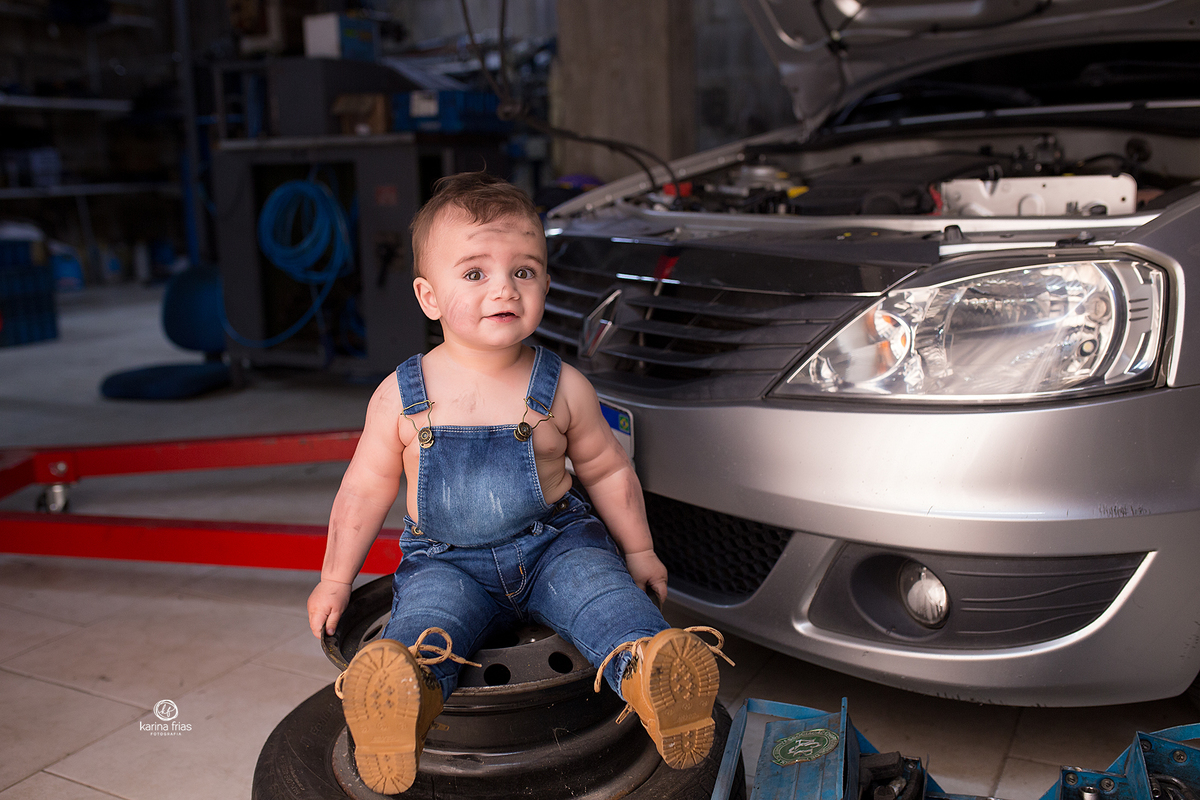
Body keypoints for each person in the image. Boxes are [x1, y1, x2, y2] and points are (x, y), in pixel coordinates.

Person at [306, 171, 731, 795]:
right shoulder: (401, 394)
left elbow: (610, 470)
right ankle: (400, 702)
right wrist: (335, 578)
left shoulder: (562, 386)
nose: (504, 288)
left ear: (545, 285)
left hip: (556, 545)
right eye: (475, 273)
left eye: (524, 271)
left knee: (606, 600)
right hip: (447, 561)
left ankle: (654, 678)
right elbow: (363, 490)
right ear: (428, 296)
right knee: (425, 626)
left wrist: (638, 551)